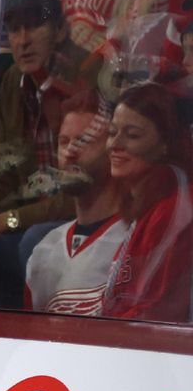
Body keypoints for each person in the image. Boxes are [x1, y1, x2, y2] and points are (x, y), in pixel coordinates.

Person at [0, 0, 98, 308]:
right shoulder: (14, 80)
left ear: (61, 32)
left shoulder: (86, 75)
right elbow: (9, 171)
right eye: (14, 28)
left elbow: (82, 189)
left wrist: (5, 221)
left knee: (27, 244)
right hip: (38, 212)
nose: (22, 41)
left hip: (85, 212)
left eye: (34, 26)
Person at [25, 89, 126, 314]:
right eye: (64, 141)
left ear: (113, 149)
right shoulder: (43, 250)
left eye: (83, 140)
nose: (70, 152)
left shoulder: (135, 240)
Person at [103, 82, 193, 323]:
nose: (114, 145)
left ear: (165, 144)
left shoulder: (174, 205)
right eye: (112, 133)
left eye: (132, 135)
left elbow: (154, 310)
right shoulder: (146, 203)